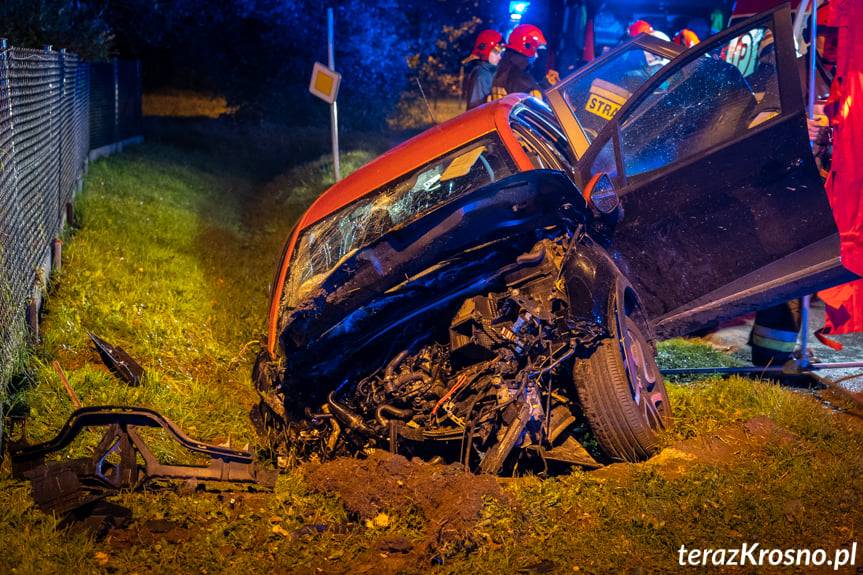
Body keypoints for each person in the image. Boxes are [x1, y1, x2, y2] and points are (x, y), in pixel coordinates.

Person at [489, 24, 547, 101]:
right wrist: (547, 85)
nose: (536, 56)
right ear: (527, 46)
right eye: (535, 50)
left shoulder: (502, 69)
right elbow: (539, 102)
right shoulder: (519, 77)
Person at [462, 29, 503, 110]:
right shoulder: (482, 75)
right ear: (484, 49)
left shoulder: (489, 72)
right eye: (496, 52)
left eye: (501, 53)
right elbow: (475, 108)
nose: (500, 57)